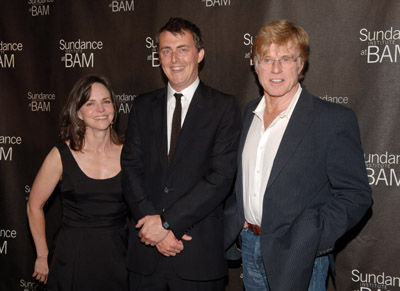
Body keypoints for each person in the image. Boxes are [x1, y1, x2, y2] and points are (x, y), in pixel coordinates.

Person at [224, 20, 372, 291]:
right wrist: (239, 218)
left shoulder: (331, 120)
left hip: (299, 258)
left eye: (286, 59)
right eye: (267, 59)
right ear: (256, 65)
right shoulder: (249, 113)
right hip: (250, 247)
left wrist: (309, 238)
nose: (276, 68)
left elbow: (356, 195)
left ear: (301, 64)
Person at [121, 17, 242, 291]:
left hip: (197, 255)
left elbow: (221, 178)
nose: (174, 58)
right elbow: (130, 168)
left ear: (199, 54)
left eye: (182, 49)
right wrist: (152, 228)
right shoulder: (142, 106)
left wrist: (168, 224)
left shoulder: (223, 107)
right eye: (166, 50)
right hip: (145, 253)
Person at [27, 75, 129, 290]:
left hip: (118, 257)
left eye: (106, 101)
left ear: (114, 108)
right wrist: (42, 255)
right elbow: (33, 205)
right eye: (90, 103)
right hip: (72, 259)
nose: (100, 109)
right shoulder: (60, 155)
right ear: (79, 113)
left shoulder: (130, 153)